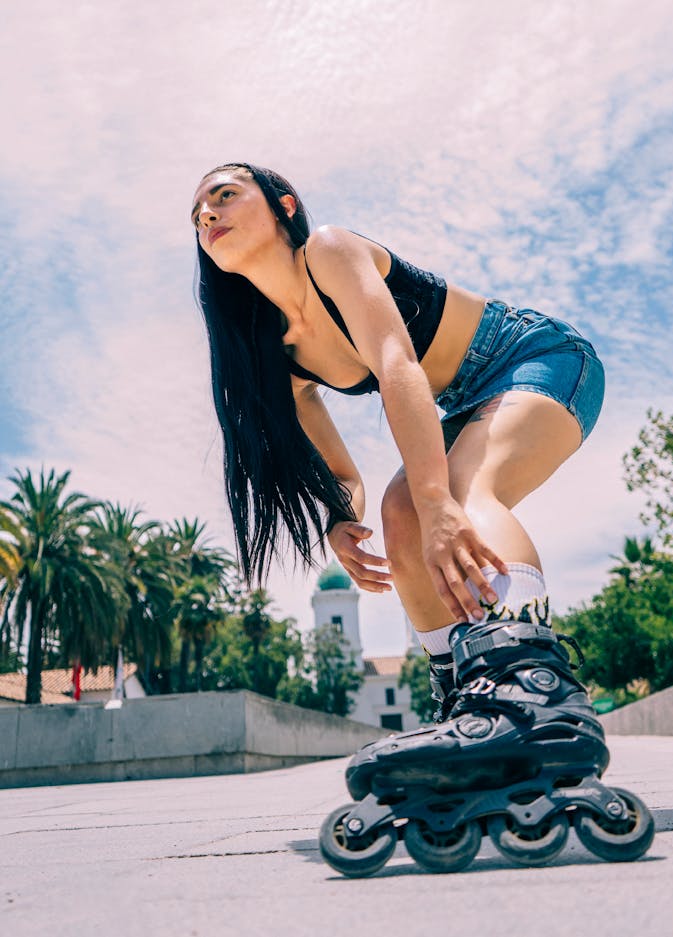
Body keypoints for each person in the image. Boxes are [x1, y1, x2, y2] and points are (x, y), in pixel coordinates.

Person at [191, 161, 605, 721]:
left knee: (456, 494)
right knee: (401, 511)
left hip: (538, 357)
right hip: (466, 402)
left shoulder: (328, 251)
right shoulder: (281, 356)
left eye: (224, 195)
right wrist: (341, 521)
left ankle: (530, 685)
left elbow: (396, 362)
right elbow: (344, 478)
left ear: (283, 205)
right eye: (198, 214)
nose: (208, 213)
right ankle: (462, 699)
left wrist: (438, 502)